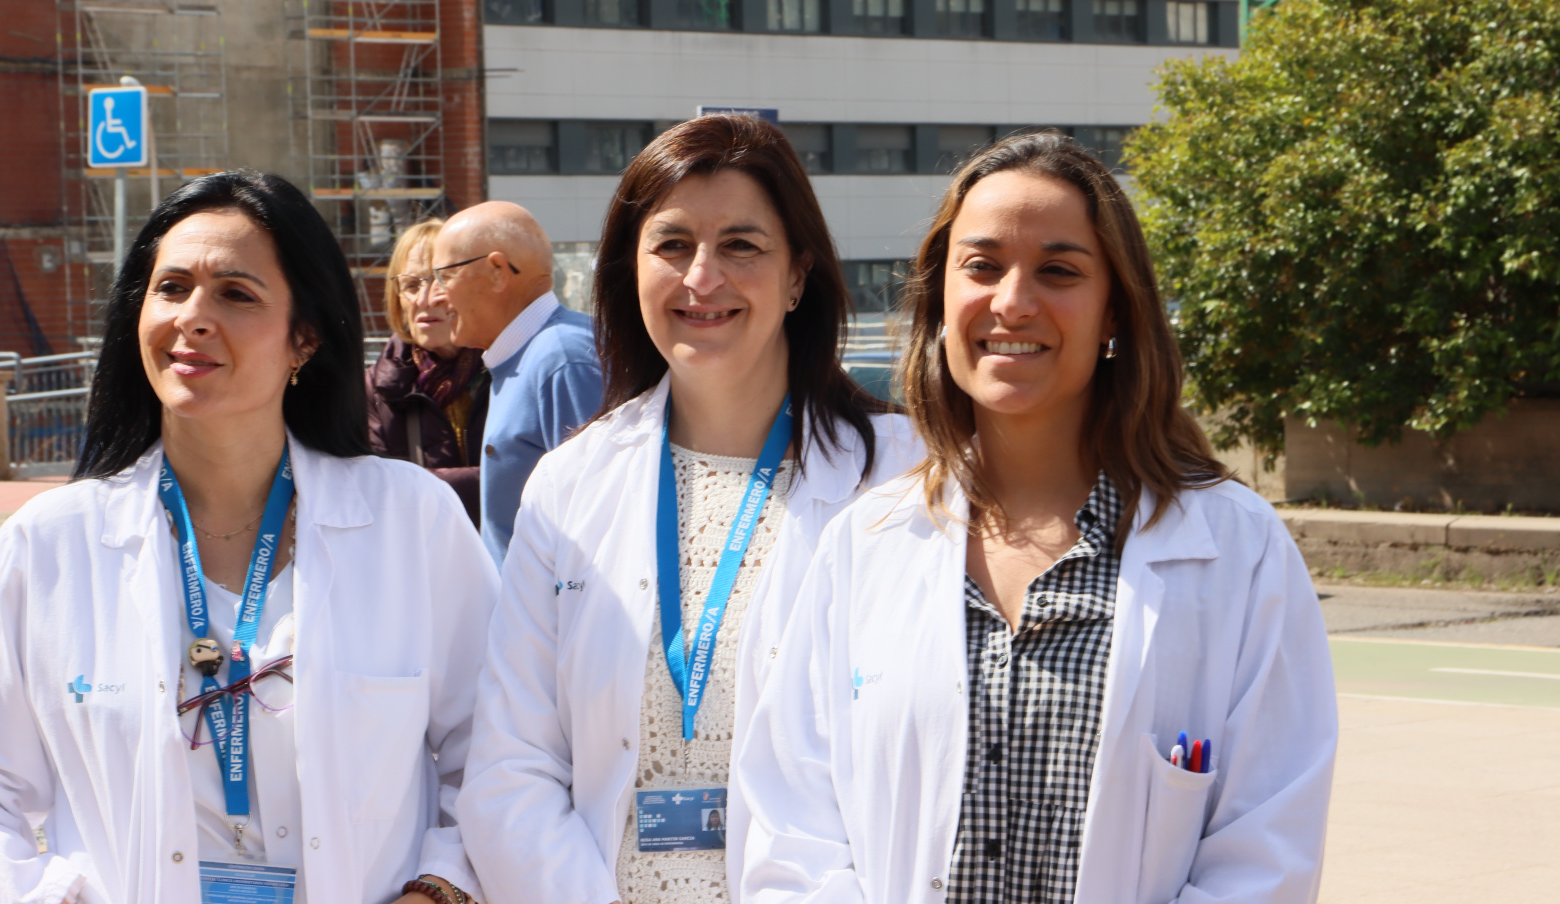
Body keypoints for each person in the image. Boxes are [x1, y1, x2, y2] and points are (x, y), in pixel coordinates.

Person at [735, 134, 1340, 903]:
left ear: (1114, 309)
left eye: (1058, 271)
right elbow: (793, 832)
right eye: (982, 267)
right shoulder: (864, 543)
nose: (1013, 302)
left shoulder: (1236, 551)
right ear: (941, 301)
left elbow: (1266, 856)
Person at [0, 172, 499, 904]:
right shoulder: (50, 546)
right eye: (172, 287)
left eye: (236, 294)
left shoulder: (411, 522)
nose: (193, 317)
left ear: (303, 337)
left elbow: (498, 751)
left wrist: (438, 891)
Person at [456, 115, 922, 904]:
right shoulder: (571, 485)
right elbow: (510, 770)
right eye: (672, 245)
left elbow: (919, 756)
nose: (702, 278)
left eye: (741, 245)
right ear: (629, 270)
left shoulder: (903, 477)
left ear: (799, 275)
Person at [429, 202, 603, 564]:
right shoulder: (534, 356)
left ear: (496, 271)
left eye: (444, 276)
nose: (436, 295)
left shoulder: (563, 360)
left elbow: (597, 528)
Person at [366, 217, 491, 526]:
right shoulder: (374, 389)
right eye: (410, 285)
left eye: (440, 281)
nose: (424, 300)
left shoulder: (509, 369)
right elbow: (379, 495)